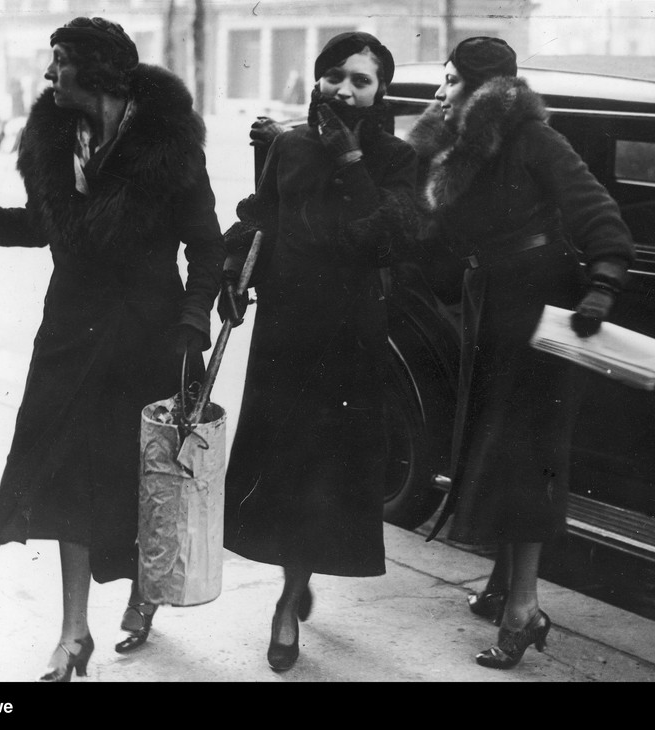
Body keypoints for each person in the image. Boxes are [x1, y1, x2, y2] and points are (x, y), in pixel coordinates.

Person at [0, 16, 225, 681]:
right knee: (65, 476)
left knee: (141, 483)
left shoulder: (167, 148)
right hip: (71, 335)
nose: (50, 76)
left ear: (99, 72)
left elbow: (207, 244)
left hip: (147, 336)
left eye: (60, 63)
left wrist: (195, 317)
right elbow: (48, 227)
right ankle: (73, 632)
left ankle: (144, 590)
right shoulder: (55, 140)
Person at [405, 37, 636, 669]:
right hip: (493, 303)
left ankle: (524, 610)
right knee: (490, 442)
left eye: (449, 81)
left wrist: (604, 283)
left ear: (482, 92)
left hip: (539, 304)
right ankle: (504, 584)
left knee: (524, 454)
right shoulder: (457, 147)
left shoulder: (534, 139)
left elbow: (599, 213)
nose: (438, 93)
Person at [219, 32, 417, 672]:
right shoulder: (289, 146)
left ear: (380, 90)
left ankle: (286, 601)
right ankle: (294, 579)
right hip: (285, 332)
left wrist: (353, 160)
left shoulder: (396, 158)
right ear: (318, 78)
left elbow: (385, 241)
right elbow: (260, 216)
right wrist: (231, 268)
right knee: (284, 467)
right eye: (336, 76)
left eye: (362, 80)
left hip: (349, 337)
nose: (345, 90)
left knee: (323, 471)